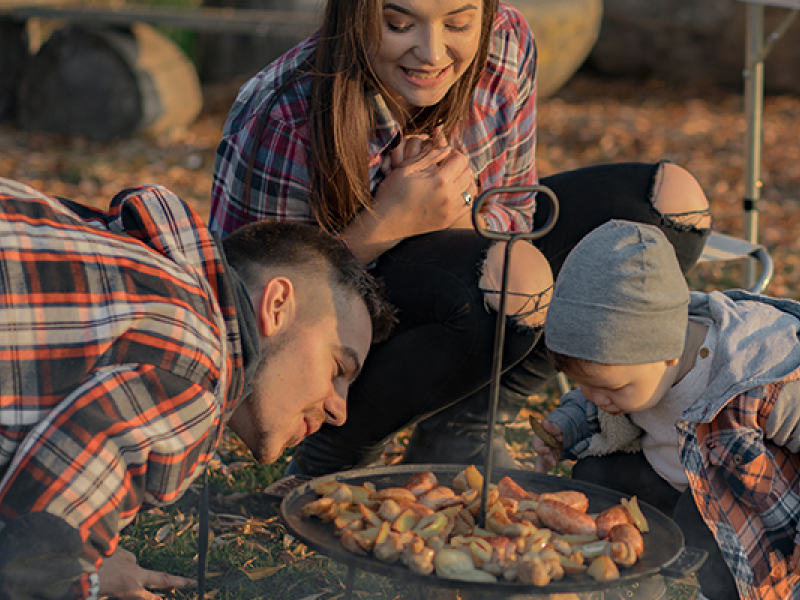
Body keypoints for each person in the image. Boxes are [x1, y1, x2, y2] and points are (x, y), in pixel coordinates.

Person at [210, 0, 713, 476]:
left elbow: (514, 214)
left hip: (460, 249)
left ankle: (466, 423)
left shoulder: (506, 43)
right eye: (399, 24)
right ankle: (337, 447)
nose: (431, 53)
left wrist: (452, 212)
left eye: (457, 23)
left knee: (671, 205)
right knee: (515, 276)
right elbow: (256, 309)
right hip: (346, 327)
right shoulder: (286, 114)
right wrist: (387, 222)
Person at [0, 176, 395, 599]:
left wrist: (85, 551)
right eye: (337, 367)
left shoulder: (138, 275)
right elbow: (30, 572)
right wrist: (78, 575)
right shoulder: (193, 363)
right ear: (277, 305)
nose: (340, 411)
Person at [532, 219, 800, 600]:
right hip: (669, 479)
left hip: (750, 520)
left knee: (702, 523)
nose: (593, 397)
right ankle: (631, 580)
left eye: (609, 388)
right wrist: (568, 424)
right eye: (584, 385)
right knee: (597, 476)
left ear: (667, 352)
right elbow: (594, 403)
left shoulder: (757, 376)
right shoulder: (633, 371)